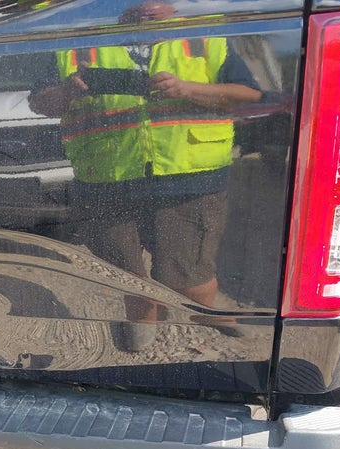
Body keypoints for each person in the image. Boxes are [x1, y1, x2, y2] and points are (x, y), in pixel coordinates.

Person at [29, 1, 262, 349]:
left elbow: (249, 97)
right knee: (125, 270)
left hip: (190, 175)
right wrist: (67, 92)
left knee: (189, 273)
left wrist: (187, 89)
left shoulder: (204, 31)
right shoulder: (76, 35)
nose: (145, 4)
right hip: (106, 177)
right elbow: (39, 102)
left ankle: (207, 311)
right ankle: (142, 317)